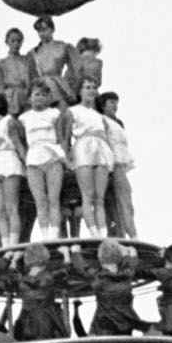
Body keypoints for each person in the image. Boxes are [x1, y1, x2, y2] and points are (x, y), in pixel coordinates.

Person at [63, 76, 113, 239]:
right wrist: (66, 157)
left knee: (100, 196)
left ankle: (102, 233)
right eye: (87, 87)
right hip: (83, 147)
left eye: (93, 87)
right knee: (87, 194)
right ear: (80, 91)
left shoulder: (99, 115)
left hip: (100, 147)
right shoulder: (73, 111)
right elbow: (65, 137)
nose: (91, 90)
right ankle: (93, 231)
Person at [19, 78, 67, 240]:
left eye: (43, 95)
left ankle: (54, 234)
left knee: (53, 198)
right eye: (36, 94)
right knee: (40, 200)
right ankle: (45, 234)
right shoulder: (24, 118)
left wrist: (64, 157)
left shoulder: (54, 114)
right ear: (30, 97)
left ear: (48, 98)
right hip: (33, 158)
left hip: (52, 156)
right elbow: (23, 142)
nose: (39, 97)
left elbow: (60, 138)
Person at [0, 93, 27, 250]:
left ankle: (13, 242)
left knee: (11, 206)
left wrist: (26, 163)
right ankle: (5, 242)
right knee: (0, 208)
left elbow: (18, 144)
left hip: (10, 159)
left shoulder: (10, 122)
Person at [96, 90, 137, 238]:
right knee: (113, 202)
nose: (115, 106)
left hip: (120, 162)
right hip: (109, 162)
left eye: (116, 103)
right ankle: (122, 234)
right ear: (103, 105)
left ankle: (127, 232)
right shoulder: (100, 120)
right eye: (111, 102)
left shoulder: (118, 122)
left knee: (124, 200)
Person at [27, 13, 79, 107]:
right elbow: (31, 74)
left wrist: (68, 81)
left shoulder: (62, 46)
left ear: (52, 29)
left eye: (44, 30)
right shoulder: (34, 52)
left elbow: (75, 67)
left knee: (63, 110)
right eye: (39, 31)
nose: (41, 34)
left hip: (58, 84)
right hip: (41, 86)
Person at [0, 25, 34, 117]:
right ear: (7, 42)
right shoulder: (1, 64)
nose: (16, 44)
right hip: (10, 100)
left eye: (19, 41)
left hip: (26, 98)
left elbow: (32, 81)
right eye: (13, 41)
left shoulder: (27, 61)